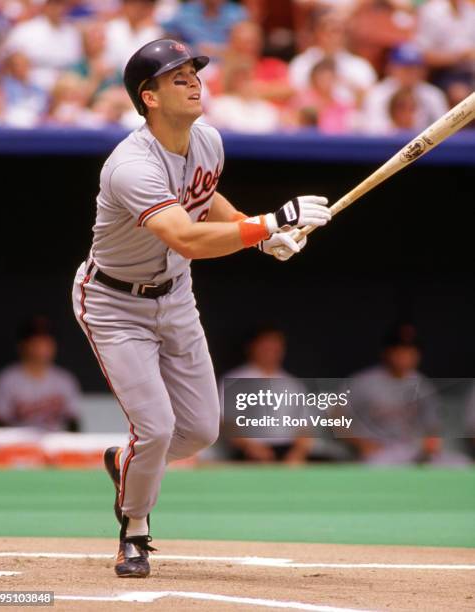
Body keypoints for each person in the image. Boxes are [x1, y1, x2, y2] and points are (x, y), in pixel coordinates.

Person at [72, 38, 331, 579]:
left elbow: (205, 195)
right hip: (114, 302)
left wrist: (260, 236)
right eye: (176, 78)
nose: (193, 82)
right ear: (149, 97)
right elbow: (186, 236)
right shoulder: (129, 166)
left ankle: (126, 466)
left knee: (200, 431)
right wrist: (268, 221)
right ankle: (135, 531)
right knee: (157, 428)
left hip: (174, 292)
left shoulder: (207, 139)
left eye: (193, 72)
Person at [339, 323, 442, 465]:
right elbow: (336, 417)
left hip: (412, 450)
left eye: (410, 350)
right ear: (386, 351)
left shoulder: (423, 385)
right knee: (377, 466)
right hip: (378, 450)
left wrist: (431, 443)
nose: (404, 355)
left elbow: (432, 427)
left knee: (460, 465)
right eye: (399, 349)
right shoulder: (362, 382)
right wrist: (360, 443)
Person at [221, 325, 312, 464]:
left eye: (275, 346)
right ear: (251, 347)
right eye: (265, 345)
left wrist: (298, 453)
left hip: (286, 451)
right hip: (247, 453)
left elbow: (305, 425)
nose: (270, 351)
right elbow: (225, 422)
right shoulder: (234, 380)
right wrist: (250, 447)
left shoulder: (293, 384)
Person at [0, 317, 81, 432]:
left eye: (46, 340)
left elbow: (73, 422)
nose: (42, 346)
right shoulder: (6, 380)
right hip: (17, 445)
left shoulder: (65, 380)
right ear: (23, 345)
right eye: (36, 341)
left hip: (54, 445)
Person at [361, 43, 448, 134]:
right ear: (391, 68)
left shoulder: (433, 94)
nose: (411, 73)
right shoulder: (378, 94)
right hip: (386, 144)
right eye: (405, 68)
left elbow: (445, 130)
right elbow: (373, 131)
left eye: (415, 68)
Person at [3, 0, 82, 91]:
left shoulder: (72, 33)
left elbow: (76, 66)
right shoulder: (25, 30)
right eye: (54, 5)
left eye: (62, 5)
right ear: (45, 6)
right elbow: (8, 64)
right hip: (31, 88)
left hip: (65, 89)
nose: (59, 9)